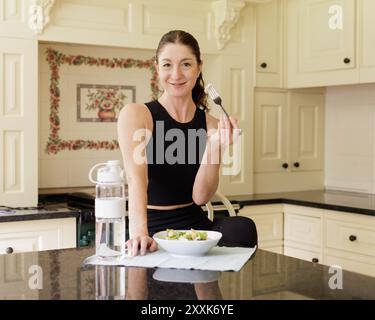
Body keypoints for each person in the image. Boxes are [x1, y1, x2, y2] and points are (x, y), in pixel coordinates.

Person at [117, 30, 257, 257]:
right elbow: (136, 179)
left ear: (199, 67)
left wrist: (215, 147)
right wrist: (140, 233)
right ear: (157, 68)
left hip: (193, 227)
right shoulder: (137, 115)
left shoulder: (212, 125)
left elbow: (201, 198)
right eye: (167, 65)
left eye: (185, 64)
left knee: (242, 226)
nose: (176, 74)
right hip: (151, 226)